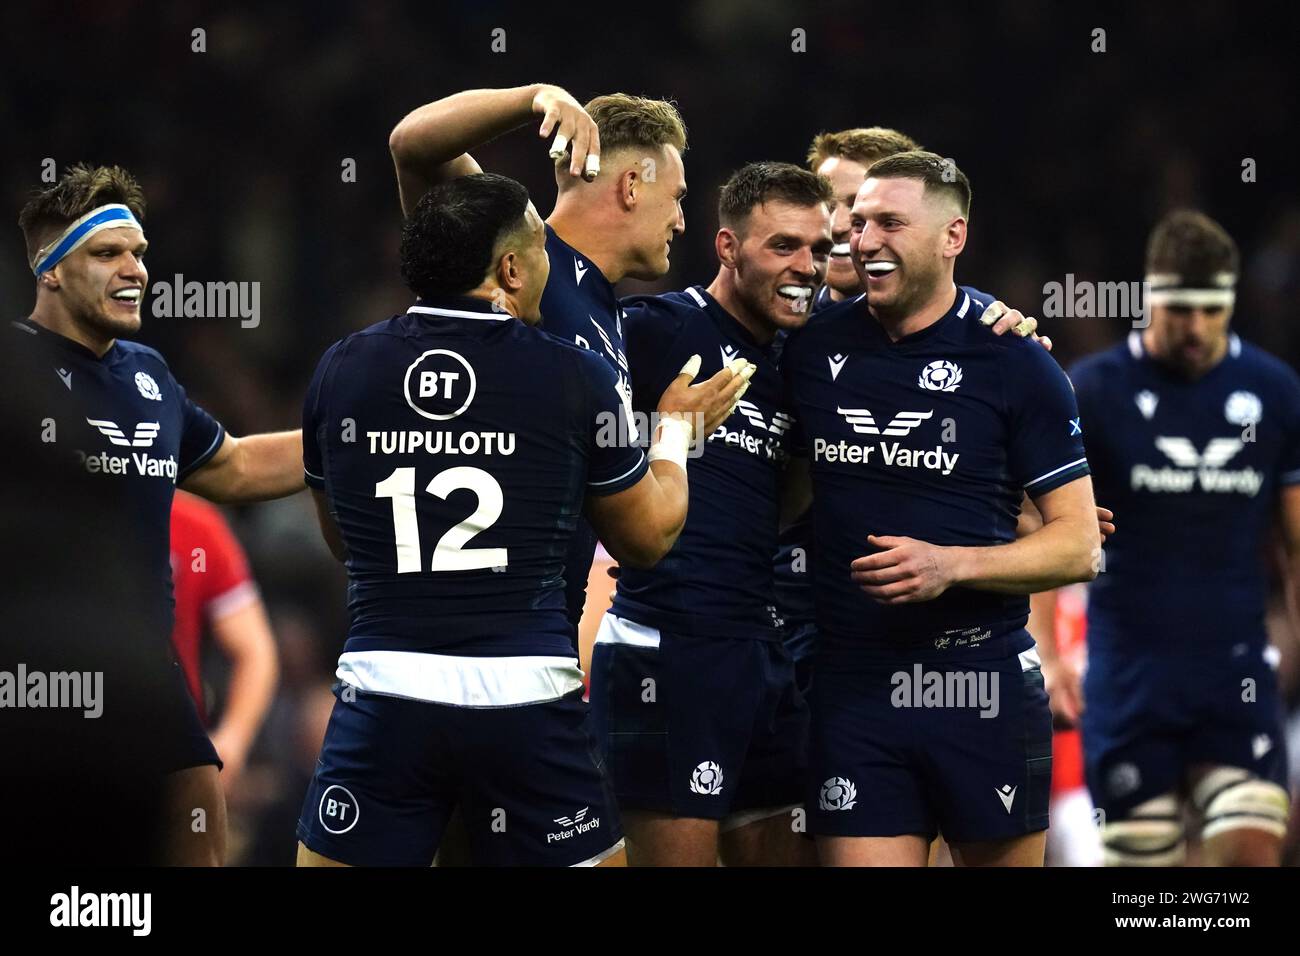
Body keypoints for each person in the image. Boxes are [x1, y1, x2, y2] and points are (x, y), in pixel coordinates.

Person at [294, 172, 750, 867]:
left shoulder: (341, 368)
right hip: (525, 698)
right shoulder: (572, 376)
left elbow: (342, 540)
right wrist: (675, 437)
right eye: (542, 247)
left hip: (385, 692)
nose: (549, 264)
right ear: (510, 268)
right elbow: (649, 538)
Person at [782, 151, 1101, 866]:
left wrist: (951, 565)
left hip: (979, 681)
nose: (863, 240)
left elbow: (1080, 546)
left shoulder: (1016, 360)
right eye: (858, 223)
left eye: (889, 222)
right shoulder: (809, 346)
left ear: (952, 236)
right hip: (853, 684)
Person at [14, 163, 305, 864]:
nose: (135, 270)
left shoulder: (147, 373)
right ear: (50, 270)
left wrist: (351, 433)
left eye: (139, 253)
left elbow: (233, 464)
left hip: (148, 677)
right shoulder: (12, 373)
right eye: (107, 253)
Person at [389, 84, 688, 633]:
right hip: (474, 630)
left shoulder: (608, 309)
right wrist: (533, 96)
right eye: (677, 197)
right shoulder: (516, 255)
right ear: (630, 186)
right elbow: (412, 145)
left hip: (534, 642)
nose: (680, 221)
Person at [1069, 210, 1298, 866]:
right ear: (1149, 299)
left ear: (1231, 301)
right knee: (1145, 876)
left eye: (1211, 309)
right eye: (1180, 310)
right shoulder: (1093, 390)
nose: (1196, 328)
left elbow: (1296, 547)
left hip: (1234, 671)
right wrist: (1050, 655)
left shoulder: (1274, 393)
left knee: (1252, 850)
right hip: (1128, 674)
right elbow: (1044, 524)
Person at [169, 489, 279, 793]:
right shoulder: (56, 510)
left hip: (175, 751)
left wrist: (233, 739)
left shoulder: (194, 524)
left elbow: (255, 650)